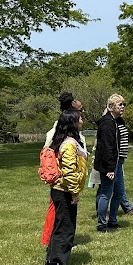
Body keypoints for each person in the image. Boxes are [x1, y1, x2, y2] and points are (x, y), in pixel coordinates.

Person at [45, 109, 87, 265]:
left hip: (60, 190)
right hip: (65, 191)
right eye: (80, 119)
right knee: (65, 229)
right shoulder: (69, 144)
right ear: (73, 123)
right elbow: (69, 172)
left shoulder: (65, 141)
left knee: (60, 226)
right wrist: (75, 192)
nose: (82, 121)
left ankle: (51, 262)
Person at [41, 92, 86, 247]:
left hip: (65, 181)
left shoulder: (68, 131)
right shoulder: (64, 133)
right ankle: (52, 244)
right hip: (62, 182)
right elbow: (53, 153)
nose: (82, 117)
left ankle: (54, 245)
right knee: (58, 216)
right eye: (80, 112)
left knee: (61, 217)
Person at [93, 94, 126, 232]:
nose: (123, 107)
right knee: (106, 193)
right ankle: (101, 223)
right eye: (120, 105)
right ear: (111, 107)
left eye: (124, 104)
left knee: (119, 192)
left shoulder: (115, 121)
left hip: (116, 163)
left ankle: (113, 220)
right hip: (108, 165)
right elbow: (107, 148)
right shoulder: (107, 123)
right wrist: (109, 168)